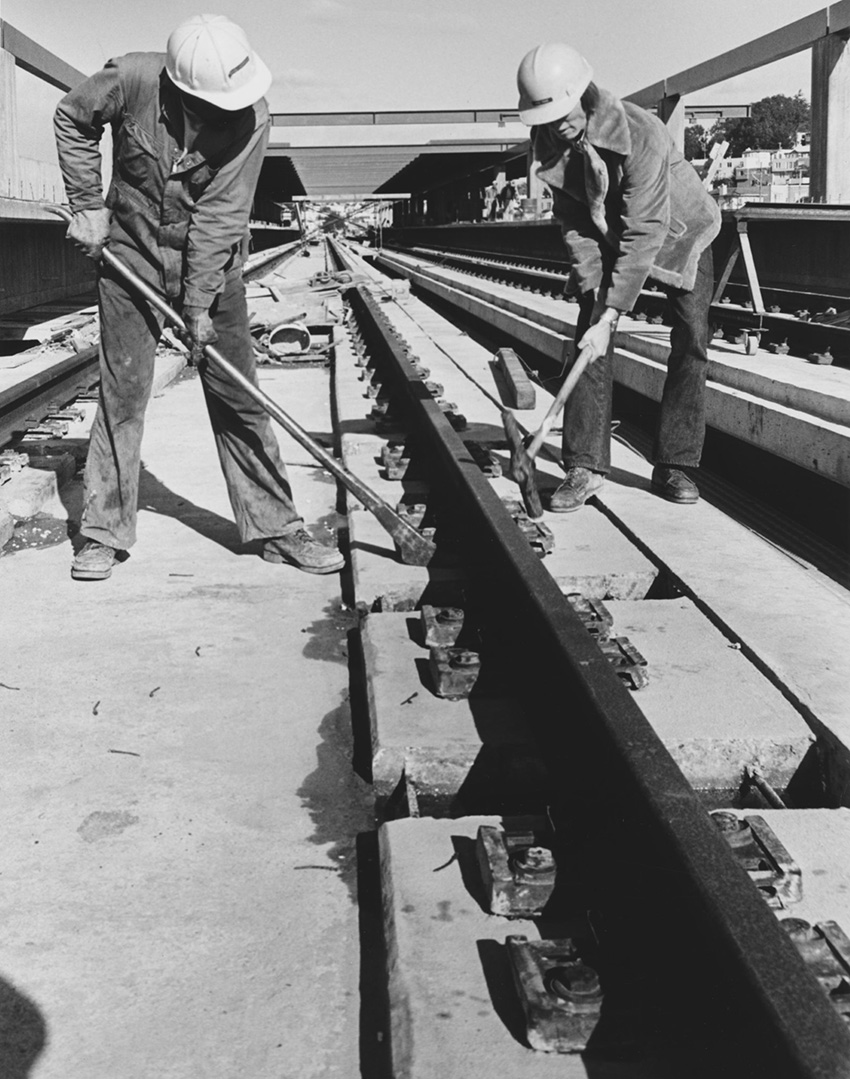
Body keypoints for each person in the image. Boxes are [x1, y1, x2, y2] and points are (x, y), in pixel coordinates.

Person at [54, 14, 344, 579]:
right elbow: (72, 116)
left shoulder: (251, 114)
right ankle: (102, 532)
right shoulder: (133, 80)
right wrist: (88, 206)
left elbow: (221, 215)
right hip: (130, 257)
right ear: (184, 88)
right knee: (124, 396)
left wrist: (197, 307)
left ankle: (276, 525)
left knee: (238, 397)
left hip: (211, 267)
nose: (227, 110)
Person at [516, 43, 721, 510]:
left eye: (563, 113)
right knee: (588, 338)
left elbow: (646, 227)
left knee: (691, 339)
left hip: (681, 232)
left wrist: (615, 312)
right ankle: (584, 466)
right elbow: (573, 223)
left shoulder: (640, 131)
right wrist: (596, 301)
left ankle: (676, 465)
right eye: (545, 118)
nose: (556, 125)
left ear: (583, 95)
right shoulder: (549, 140)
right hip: (611, 236)